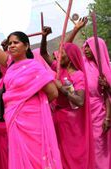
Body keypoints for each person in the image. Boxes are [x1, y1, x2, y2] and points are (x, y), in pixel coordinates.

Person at [0, 9, 62, 169]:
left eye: (16, 42)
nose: (11, 45)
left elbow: (53, 93)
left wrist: (32, 104)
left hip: (34, 119)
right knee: (19, 155)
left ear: (26, 45)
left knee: (37, 155)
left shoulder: (35, 67)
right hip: (14, 118)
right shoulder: (9, 64)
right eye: (9, 43)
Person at [41, 26, 95, 169]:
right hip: (59, 121)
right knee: (60, 156)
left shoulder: (78, 76)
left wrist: (61, 89)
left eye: (61, 53)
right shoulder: (59, 70)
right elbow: (44, 54)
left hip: (73, 124)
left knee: (73, 156)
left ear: (70, 58)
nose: (58, 56)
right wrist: (44, 37)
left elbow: (80, 100)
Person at [66, 18, 111, 169]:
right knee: (85, 146)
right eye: (85, 46)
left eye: (89, 47)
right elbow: (65, 48)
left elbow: (107, 97)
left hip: (99, 114)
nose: (85, 50)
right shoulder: (82, 65)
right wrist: (75, 29)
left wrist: (108, 117)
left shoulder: (106, 70)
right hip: (82, 112)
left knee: (99, 147)